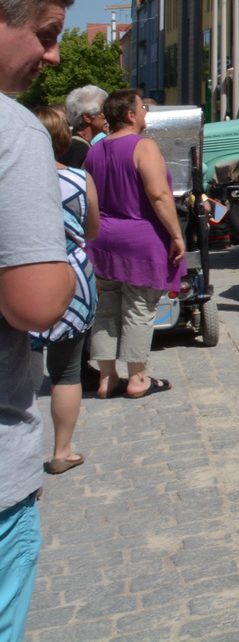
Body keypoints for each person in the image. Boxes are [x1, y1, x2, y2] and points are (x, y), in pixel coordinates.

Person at [0, 0, 79, 636]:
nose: (52, 56)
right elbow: (35, 302)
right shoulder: (13, 132)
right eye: (46, 35)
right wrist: (68, 265)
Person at [85, 89, 183, 401]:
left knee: (106, 309)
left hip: (102, 239)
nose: (145, 113)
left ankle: (106, 377)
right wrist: (176, 235)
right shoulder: (143, 146)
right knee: (139, 308)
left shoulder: (94, 151)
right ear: (130, 115)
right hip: (139, 239)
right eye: (142, 108)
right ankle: (138, 377)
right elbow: (159, 195)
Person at [31, 108, 97, 475]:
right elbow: (91, 231)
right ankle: (62, 451)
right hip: (70, 275)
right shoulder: (78, 178)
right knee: (66, 372)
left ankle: (21, 462)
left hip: (19, 275)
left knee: (18, 375)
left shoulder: (8, 178)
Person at [62, 85, 108, 170]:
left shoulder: (70, 140)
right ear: (87, 118)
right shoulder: (79, 148)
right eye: (103, 111)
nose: (108, 115)